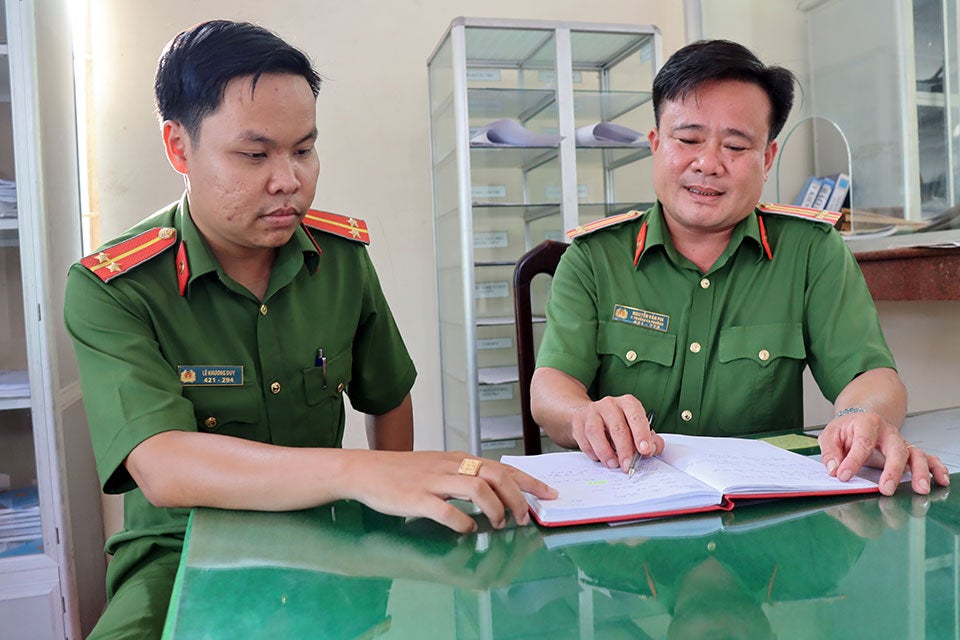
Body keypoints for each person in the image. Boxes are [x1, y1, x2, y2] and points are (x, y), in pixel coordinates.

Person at [64, 20, 555, 639]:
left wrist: (394, 505)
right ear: (178, 147)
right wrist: (363, 474)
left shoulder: (339, 257)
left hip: (333, 536)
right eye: (254, 154)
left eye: (303, 149)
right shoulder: (114, 286)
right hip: (181, 551)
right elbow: (164, 466)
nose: (288, 180)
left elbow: (387, 395)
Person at [529, 39, 949, 498]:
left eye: (735, 145)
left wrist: (857, 418)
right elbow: (550, 387)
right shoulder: (594, 256)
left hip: (761, 512)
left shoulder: (810, 249)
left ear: (766, 159)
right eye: (688, 140)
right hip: (624, 504)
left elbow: (871, 376)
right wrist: (581, 415)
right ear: (655, 145)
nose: (708, 164)